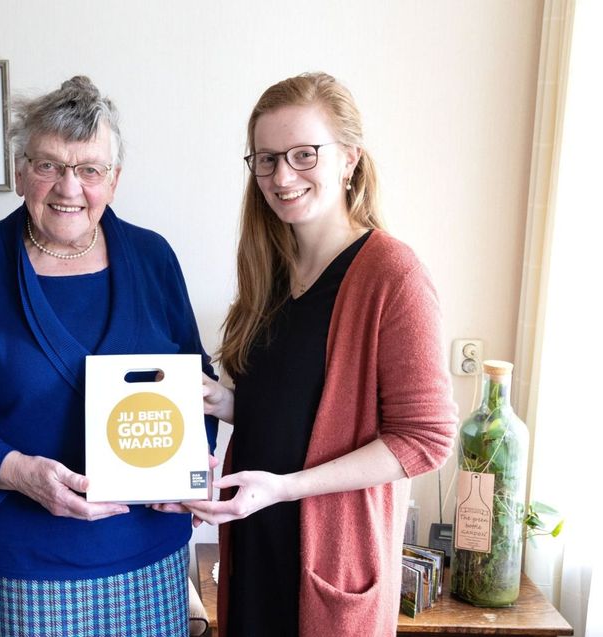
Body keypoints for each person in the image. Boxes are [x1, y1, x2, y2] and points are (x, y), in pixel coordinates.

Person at [0, 76, 217, 637]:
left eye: (89, 169)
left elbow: (195, 382)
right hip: (21, 571)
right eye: (48, 165)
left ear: (114, 180)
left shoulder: (153, 257)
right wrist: (16, 473)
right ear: (20, 173)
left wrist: (191, 467)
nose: (70, 187)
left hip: (150, 560)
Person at [183, 72, 457, 637]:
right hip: (256, 538)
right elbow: (311, 403)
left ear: (349, 159)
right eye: (266, 159)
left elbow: (426, 439)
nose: (282, 176)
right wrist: (229, 403)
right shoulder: (271, 269)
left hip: (329, 551)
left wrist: (285, 487)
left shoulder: (392, 276)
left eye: (304, 154)